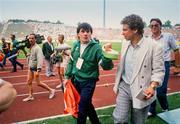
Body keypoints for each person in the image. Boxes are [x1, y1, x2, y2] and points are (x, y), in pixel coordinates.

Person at [113, 14, 165, 124]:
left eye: (125, 30)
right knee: (120, 119)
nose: (122, 33)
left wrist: (152, 86)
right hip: (124, 86)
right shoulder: (124, 43)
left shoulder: (155, 47)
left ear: (135, 30)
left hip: (142, 89)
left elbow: (159, 70)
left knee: (138, 121)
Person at [63, 22, 114, 124]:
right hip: (76, 80)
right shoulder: (75, 45)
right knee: (87, 105)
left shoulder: (96, 48)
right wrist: (67, 76)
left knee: (82, 108)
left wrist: (107, 56)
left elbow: (105, 66)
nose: (85, 34)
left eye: (88, 31)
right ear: (78, 34)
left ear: (91, 34)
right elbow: (71, 61)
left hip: (89, 82)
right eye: (83, 31)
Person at [148, 18, 180, 117]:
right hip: (151, 66)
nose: (154, 27)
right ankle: (151, 110)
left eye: (156, 25)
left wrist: (177, 66)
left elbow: (176, 50)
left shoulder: (168, 36)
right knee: (150, 88)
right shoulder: (148, 39)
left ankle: (165, 107)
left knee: (161, 90)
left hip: (164, 65)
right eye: (152, 25)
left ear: (160, 26)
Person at [22, 34, 55, 102]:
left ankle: (51, 90)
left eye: (32, 38)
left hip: (35, 68)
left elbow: (40, 59)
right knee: (29, 82)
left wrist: (38, 70)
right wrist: (28, 54)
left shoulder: (37, 48)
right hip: (30, 67)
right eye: (29, 38)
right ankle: (31, 96)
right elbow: (32, 55)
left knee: (38, 83)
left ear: (35, 39)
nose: (30, 40)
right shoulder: (31, 47)